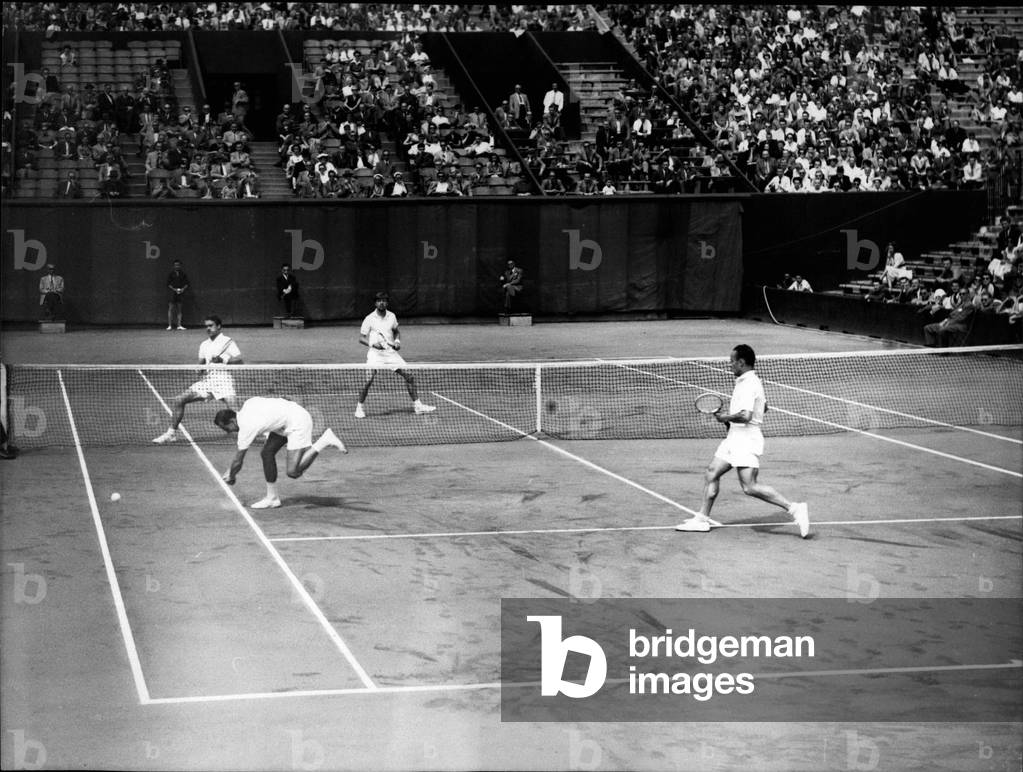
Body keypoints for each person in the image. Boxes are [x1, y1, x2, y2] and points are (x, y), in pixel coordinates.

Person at [676, 344, 809, 538]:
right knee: (712, 472)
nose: (730, 365)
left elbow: (746, 416)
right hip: (735, 437)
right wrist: (733, 419)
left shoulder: (749, 383)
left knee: (749, 487)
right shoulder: (747, 381)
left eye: (732, 362)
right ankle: (702, 519)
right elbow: (764, 408)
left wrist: (726, 418)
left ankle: (794, 508)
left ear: (741, 362)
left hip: (746, 440)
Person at [215, 397, 347, 509]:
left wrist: (232, 475)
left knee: (293, 472)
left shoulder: (246, 427)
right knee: (267, 453)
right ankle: (272, 498)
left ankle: (324, 440)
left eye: (226, 428)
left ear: (232, 421)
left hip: (298, 422)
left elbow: (239, 460)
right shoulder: (248, 403)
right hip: (285, 421)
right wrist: (231, 470)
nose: (228, 432)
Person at [153, 315, 243, 444]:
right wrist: (199, 369)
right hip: (207, 381)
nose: (208, 328)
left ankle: (259, 432)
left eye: (211, 325)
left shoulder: (227, 341)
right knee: (179, 400)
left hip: (223, 380)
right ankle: (171, 433)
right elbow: (200, 364)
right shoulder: (204, 344)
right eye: (206, 326)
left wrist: (223, 360)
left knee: (236, 412)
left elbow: (240, 361)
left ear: (218, 326)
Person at [354, 292, 435, 419]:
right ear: (375, 303)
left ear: (387, 303)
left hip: (390, 354)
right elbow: (361, 338)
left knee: (409, 376)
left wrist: (397, 341)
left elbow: (396, 331)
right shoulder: (369, 318)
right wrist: (373, 345)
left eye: (384, 300)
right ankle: (359, 408)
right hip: (375, 355)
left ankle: (418, 406)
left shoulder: (392, 316)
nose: (382, 303)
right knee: (368, 380)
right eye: (379, 301)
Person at [166, 259, 190, 330]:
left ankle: (179, 325)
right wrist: (175, 290)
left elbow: (187, 284)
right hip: (172, 293)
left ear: (180, 266)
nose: (177, 266)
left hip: (180, 294)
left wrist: (182, 289)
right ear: (173, 266)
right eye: (175, 265)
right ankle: (170, 325)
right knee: (171, 309)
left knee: (179, 309)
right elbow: (168, 284)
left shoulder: (183, 274)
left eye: (178, 265)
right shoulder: (171, 274)